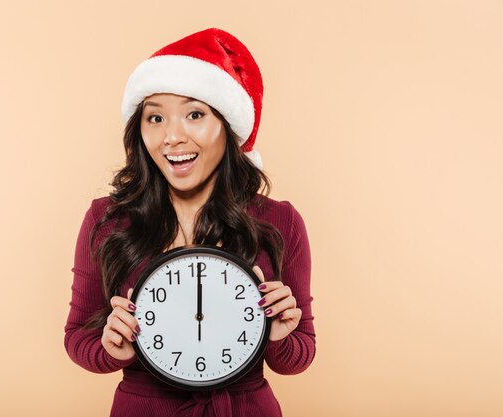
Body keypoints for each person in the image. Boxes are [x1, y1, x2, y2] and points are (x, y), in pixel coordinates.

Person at [64, 27, 316, 416]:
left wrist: (279, 337)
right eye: (155, 118)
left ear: (227, 126)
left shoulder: (279, 220)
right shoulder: (108, 219)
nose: (172, 137)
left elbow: (301, 353)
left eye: (194, 114)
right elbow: (77, 338)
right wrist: (108, 348)